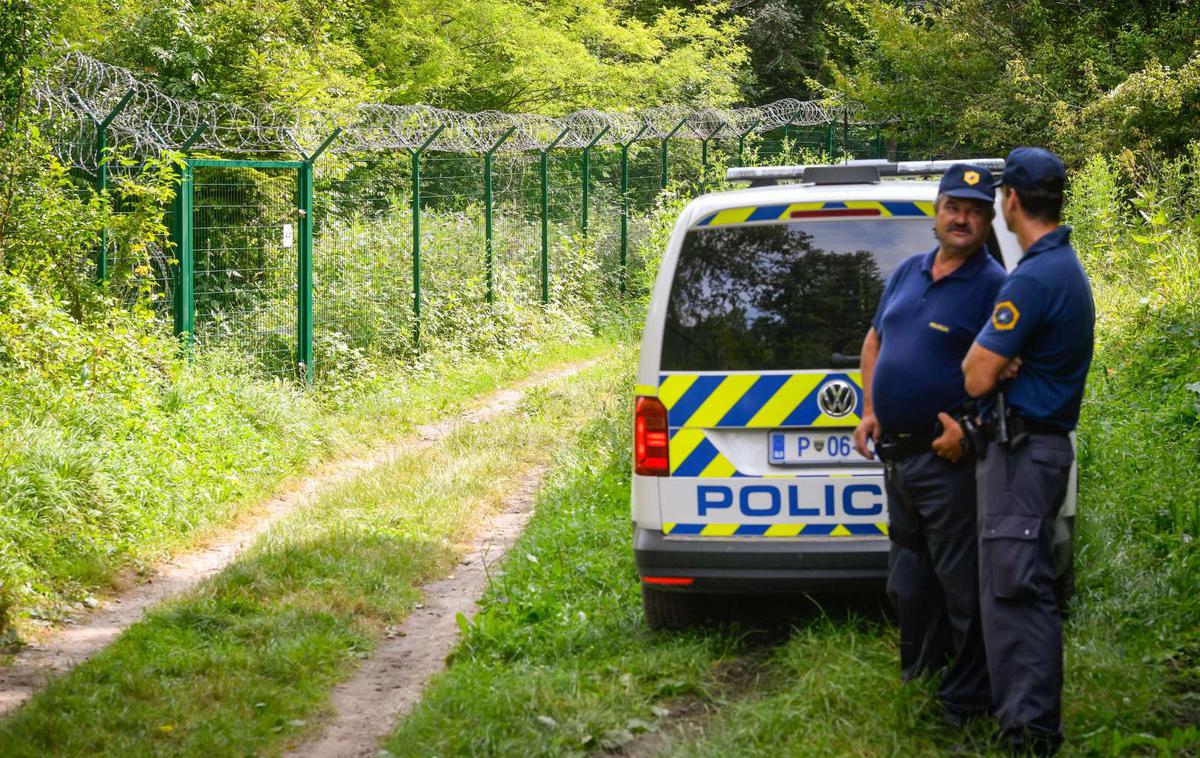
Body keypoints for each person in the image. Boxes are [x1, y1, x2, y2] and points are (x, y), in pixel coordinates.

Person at [854, 163, 1006, 726]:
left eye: (974, 210)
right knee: (909, 581)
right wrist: (870, 409)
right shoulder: (909, 272)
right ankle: (920, 673)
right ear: (936, 212)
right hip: (897, 459)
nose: (961, 218)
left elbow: (1013, 370)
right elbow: (874, 342)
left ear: (987, 220)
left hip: (949, 463)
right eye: (953, 207)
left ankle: (969, 701)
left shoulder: (995, 287)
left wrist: (968, 429)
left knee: (963, 585)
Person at [962, 147, 1095, 755]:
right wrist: (998, 362)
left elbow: (975, 375)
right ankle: (1018, 722)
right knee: (1014, 587)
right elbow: (993, 366)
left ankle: (1031, 736)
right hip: (1026, 452)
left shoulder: (1038, 275)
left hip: (1024, 453)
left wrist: (992, 362)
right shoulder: (1054, 266)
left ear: (1009, 200)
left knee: (1019, 593)